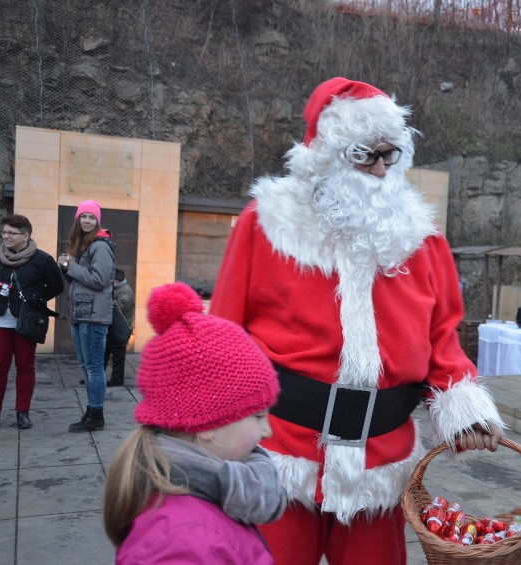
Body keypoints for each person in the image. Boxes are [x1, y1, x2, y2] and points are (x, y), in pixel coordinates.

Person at [209, 77, 505, 565]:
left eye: (392, 155)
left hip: (381, 458)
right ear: (327, 154)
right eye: (368, 155)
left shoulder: (421, 239)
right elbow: (223, 333)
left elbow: (442, 336)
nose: (382, 169)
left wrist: (463, 406)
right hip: (282, 449)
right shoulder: (266, 224)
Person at [103, 282, 287, 563]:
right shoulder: (181, 543)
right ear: (208, 424)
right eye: (258, 416)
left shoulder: (201, 505)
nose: (267, 430)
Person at [0, 215, 63, 429]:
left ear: (25, 236)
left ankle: (22, 412)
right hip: (1, 320)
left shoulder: (42, 259)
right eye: (4, 232)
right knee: (0, 367)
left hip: (26, 321)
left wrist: (36, 299)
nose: (5, 236)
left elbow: (56, 286)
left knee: (25, 366)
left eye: (11, 233)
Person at [59, 200, 115, 433]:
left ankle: (95, 415)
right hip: (81, 315)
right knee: (86, 365)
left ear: (97, 221)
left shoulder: (100, 246)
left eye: (92, 217)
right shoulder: (83, 245)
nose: (87, 221)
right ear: (77, 219)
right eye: (84, 216)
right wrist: (66, 267)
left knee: (93, 368)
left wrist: (72, 266)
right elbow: (81, 283)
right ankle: (92, 412)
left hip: (94, 316)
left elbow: (99, 280)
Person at [104, 268, 134, 387]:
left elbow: (119, 307)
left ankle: (117, 379)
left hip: (120, 329)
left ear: (116, 280)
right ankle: (96, 377)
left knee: (118, 357)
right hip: (111, 328)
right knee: (103, 355)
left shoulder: (126, 291)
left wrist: (106, 301)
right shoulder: (116, 289)